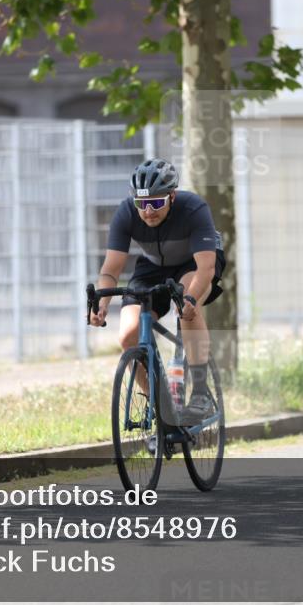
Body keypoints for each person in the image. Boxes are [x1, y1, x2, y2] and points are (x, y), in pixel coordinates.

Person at [89, 158, 226, 423]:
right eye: (142, 204)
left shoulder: (193, 208)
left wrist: (189, 299)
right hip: (152, 267)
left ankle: (199, 393)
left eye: (156, 203)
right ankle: (161, 408)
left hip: (195, 263)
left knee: (188, 307)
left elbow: (206, 268)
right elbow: (111, 268)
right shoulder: (126, 213)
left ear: (172, 197)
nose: (148, 211)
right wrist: (102, 304)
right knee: (128, 335)